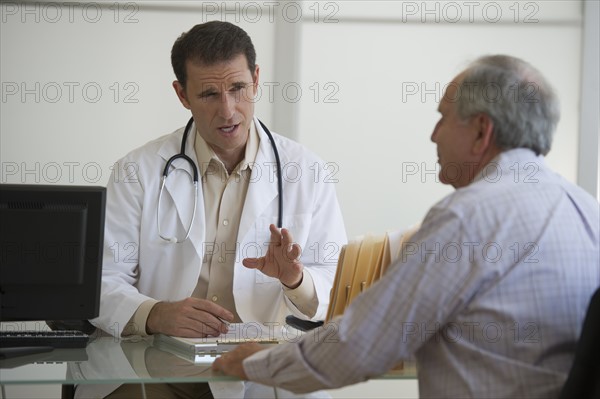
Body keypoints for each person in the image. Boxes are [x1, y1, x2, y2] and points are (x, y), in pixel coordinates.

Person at [212, 55, 600, 398]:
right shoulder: (587, 211)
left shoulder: (467, 217)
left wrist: (254, 363)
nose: (433, 135)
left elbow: (361, 344)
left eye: (442, 118)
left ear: (482, 132)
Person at [78, 21, 346, 399]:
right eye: (208, 94)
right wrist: (154, 314)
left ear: (255, 79)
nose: (227, 110)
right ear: (182, 94)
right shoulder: (138, 171)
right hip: (160, 363)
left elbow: (337, 287)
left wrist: (295, 279)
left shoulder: (307, 171)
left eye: (238, 88)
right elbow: (98, 282)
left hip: (262, 370)